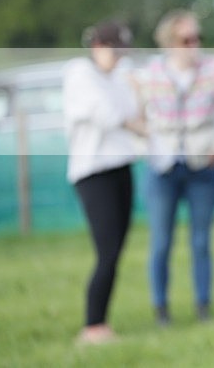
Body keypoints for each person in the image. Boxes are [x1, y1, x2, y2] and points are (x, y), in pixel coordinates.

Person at [134, 10, 214, 324]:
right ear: (169, 42)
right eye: (186, 39)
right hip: (162, 169)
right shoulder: (149, 74)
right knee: (161, 242)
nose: (194, 44)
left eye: (197, 37)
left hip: (202, 169)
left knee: (201, 241)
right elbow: (134, 119)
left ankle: (203, 306)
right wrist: (147, 148)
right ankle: (161, 309)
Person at [63, 20, 143, 344]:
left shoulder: (117, 78)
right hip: (94, 173)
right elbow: (110, 114)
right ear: (98, 46)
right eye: (115, 50)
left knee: (116, 249)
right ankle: (92, 325)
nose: (120, 58)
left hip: (121, 167)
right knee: (107, 251)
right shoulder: (80, 73)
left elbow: (133, 110)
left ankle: (101, 323)